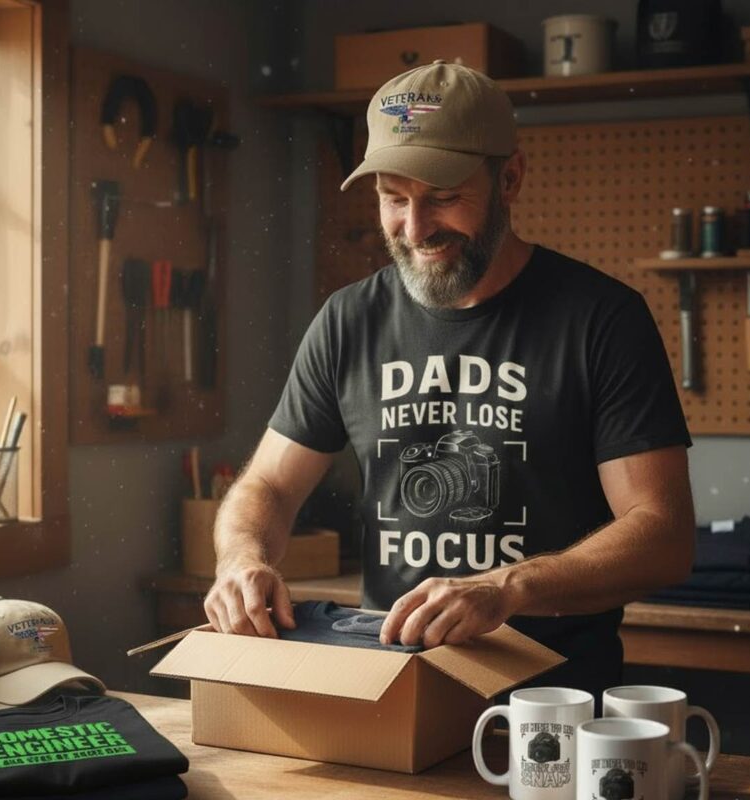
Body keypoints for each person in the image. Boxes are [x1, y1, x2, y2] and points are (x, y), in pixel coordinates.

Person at [203, 60, 695, 696]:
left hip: (553, 707)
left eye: (443, 197)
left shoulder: (601, 319)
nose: (414, 229)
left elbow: (663, 533)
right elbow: (268, 483)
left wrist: (506, 587)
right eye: (393, 198)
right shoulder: (349, 321)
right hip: (392, 690)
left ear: (509, 178)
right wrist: (243, 559)